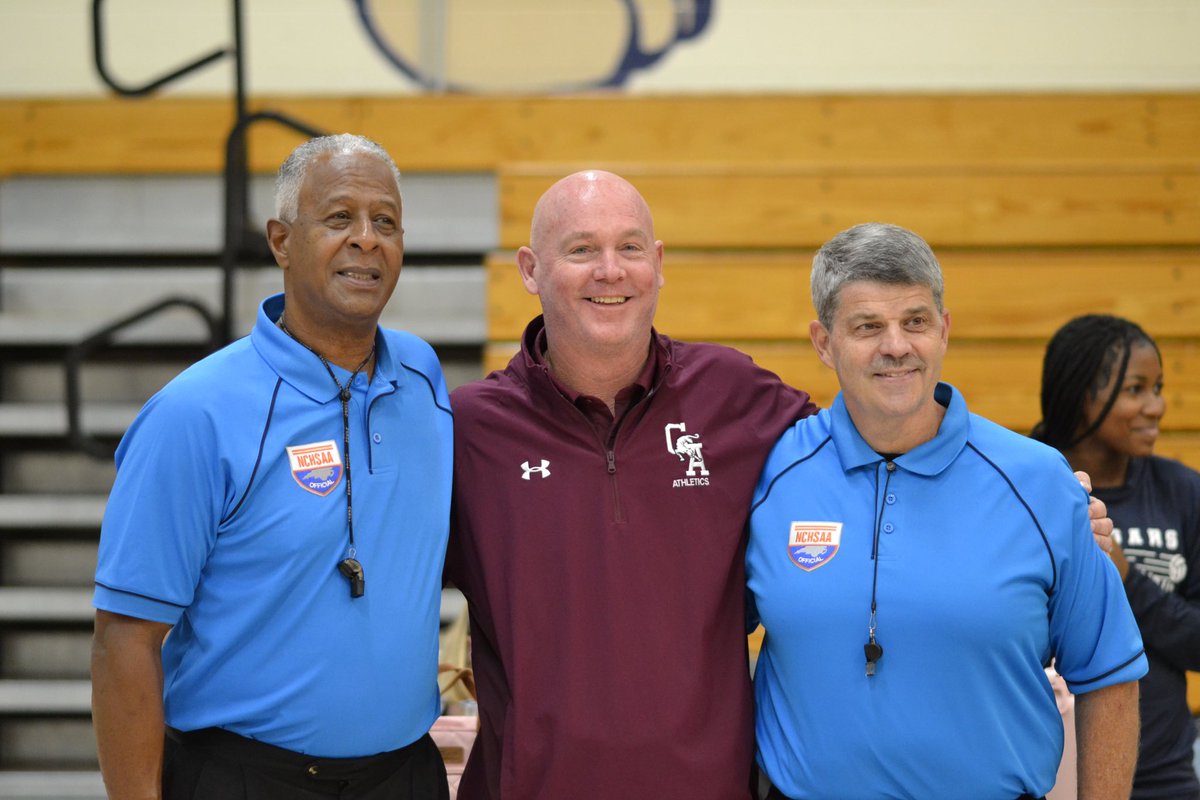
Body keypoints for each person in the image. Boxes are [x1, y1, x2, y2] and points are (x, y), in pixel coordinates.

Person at [443, 171, 1113, 800]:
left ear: (660, 263)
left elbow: (883, 433)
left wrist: (1057, 514)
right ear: (530, 270)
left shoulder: (734, 397)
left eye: (630, 247)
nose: (610, 270)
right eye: (581, 249)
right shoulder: (467, 431)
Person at [91, 134, 454, 800]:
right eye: (340, 218)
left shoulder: (424, 381)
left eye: (387, 222)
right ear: (282, 241)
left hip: (406, 777)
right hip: (246, 779)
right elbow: (125, 641)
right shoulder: (193, 415)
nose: (367, 240)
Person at [746, 223, 1147, 800]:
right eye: (867, 327)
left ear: (945, 328)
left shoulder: (1039, 483)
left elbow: (1109, 675)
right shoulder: (768, 476)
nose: (896, 346)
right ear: (823, 342)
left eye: (915, 322)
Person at [1034, 314, 1200, 800]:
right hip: (1044, 774)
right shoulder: (1025, 484)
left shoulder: (1182, 492)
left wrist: (1129, 581)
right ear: (1082, 396)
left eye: (1158, 387)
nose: (1157, 406)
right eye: (1136, 389)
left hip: (1164, 776)